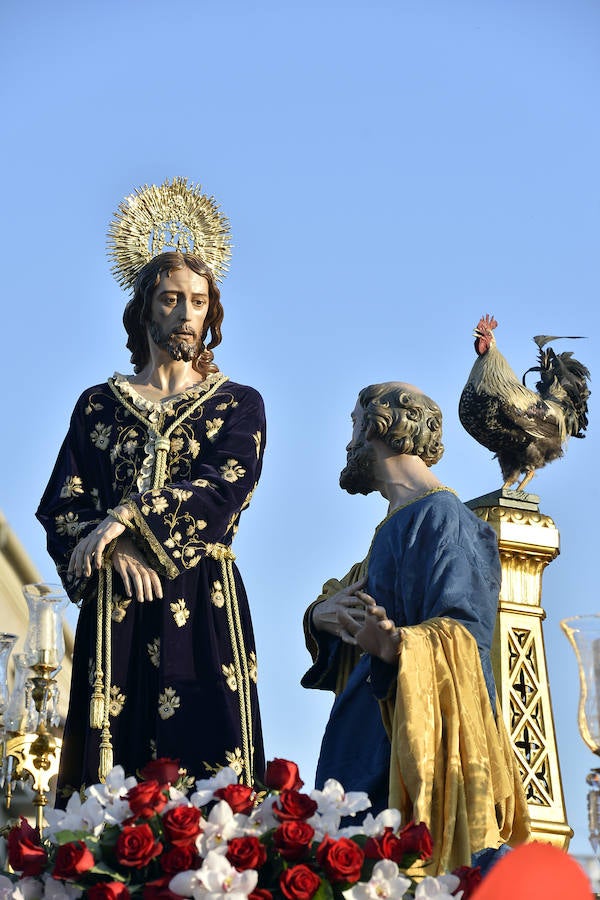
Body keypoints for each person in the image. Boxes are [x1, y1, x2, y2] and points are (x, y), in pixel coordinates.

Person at [37, 179, 265, 795]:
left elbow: (223, 487)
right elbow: (63, 503)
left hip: (201, 598)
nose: (185, 313)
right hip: (118, 608)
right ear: (146, 308)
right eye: (171, 298)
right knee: (113, 773)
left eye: (198, 300)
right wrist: (114, 547)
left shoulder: (237, 405)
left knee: (206, 774)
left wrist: (125, 519)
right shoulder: (97, 406)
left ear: (210, 311)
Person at [302, 381, 529, 873]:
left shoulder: (443, 516)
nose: (349, 443)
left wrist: (400, 644)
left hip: (403, 749)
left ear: (383, 426)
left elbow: (465, 635)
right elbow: (348, 606)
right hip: (366, 740)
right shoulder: (396, 522)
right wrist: (320, 616)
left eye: (355, 426)